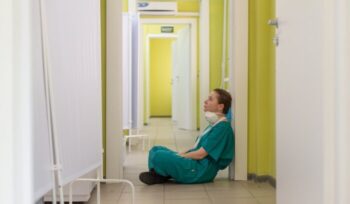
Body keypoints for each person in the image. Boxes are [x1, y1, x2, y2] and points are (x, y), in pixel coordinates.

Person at [139, 88, 234, 185]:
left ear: (220, 107)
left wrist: (180, 156)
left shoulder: (222, 128)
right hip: (196, 163)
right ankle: (161, 174)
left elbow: (200, 154)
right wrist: (179, 154)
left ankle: (160, 174)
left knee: (159, 156)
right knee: (155, 149)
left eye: (210, 99)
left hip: (200, 170)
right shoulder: (214, 125)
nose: (205, 101)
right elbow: (196, 148)